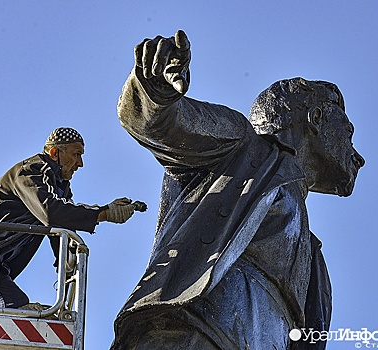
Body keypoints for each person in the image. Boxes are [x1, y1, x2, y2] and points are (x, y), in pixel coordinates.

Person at [111, 30, 364, 350]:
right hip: (192, 336)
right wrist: (156, 87)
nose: (359, 157)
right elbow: (161, 123)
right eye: (349, 132)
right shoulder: (243, 149)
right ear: (317, 117)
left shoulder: (314, 259)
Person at [0, 127, 136, 309]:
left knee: (16, 305)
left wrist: (65, 290)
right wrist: (102, 214)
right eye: (76, 154)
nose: (80, 163)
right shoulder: (32, 170)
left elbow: (62, 234)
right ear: (54, 153)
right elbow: (52, 212)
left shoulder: (60, 190)